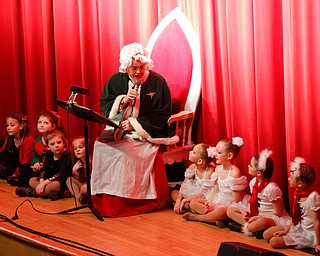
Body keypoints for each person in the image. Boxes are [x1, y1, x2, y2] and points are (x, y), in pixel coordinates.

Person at [91, 42, 178, 217]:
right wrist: (122, 101)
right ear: (125, 66)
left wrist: (135, 123)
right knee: (101, 147)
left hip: (146, 132)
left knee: (124, 153)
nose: (138, 72)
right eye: (133, 68)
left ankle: (128, 202)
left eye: (141, 67)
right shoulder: (115, 80)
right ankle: (104, 198)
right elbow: (105, 106)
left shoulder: (158, 82)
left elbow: (162, 113)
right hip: (120, 130)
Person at [183, 137, 248, 226]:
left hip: (229, 203)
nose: (215, 154)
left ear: (229, 156)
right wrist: (210, 203)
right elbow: (216, 191)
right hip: (218, 199)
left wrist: (217, 205)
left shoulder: (235, 173)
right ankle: (215, 219)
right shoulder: (217, 169)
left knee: (220, 211)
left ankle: (198, 217)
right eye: (216, 151)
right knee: (194, 202)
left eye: (219, 152)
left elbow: (236, 200)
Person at [226, 149, 291, 238]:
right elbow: (255, 203)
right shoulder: (253, 182)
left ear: (259, 173)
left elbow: (278, 212)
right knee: (230, 211)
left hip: (271, 216)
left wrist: (259, 217)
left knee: (259, 223)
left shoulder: (272, 188)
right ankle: (255, 228)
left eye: (251, 165)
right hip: (258, 213)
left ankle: (255, 228)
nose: (248, 166)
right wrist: (249, 213)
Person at [263, 158, 320, 252]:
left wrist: (318, 243)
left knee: (274, 242)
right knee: (266, 235)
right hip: (299, 226)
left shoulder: (313, 197)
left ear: (300, 183)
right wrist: (286, 231)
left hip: (309, 232)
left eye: (291, 177)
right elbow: (295, 217)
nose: (289, 179)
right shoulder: (298, 194)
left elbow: (317, 222)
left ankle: (305, 242)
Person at [8, 111, 61, 187]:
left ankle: (31, 186)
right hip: (41, 169)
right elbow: (35, 157)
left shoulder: (56, 140)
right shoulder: (37, 141)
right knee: (24, 168)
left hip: (53, 169)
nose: (42, 125)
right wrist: (36, 163)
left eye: (45, 123)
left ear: (53, 126)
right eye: (40, 122)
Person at [15, 130, 72, 200]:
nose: (56, 146)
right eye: (52, 144)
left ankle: (32, 192)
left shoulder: (67, 154)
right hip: (48, 180)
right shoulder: (49, 153)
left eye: (59, 142)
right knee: (32, 180)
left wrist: (44, 184)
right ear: (48, 147)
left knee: (55, 185)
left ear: (63, 143)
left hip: (61, 182)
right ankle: (53, 193)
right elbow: (44, 170)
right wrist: (42, 180)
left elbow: (61, 174)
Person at [171, 143, 216, 214]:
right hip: (194, 190)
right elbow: (185, 184)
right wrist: (179, 200)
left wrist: (184, 200)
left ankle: (189, 207)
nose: (190, 152)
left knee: (193, 202)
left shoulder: (209, 170)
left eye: (194, 152)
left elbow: (202, 193)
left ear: (200, 161)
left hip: (204, 195)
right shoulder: (192, 167)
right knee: (174, 193)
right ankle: (186, 206)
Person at [0, 113, 34, 183]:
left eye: (12, 125)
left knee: (24, 169)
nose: (8, 128)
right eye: (7, 125)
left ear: (21, 126)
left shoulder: (28, 141)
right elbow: (2, 152)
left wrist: (14, 174)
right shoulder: (10, 139)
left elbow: (25, 163)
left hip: (21, 170)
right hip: (11, 168)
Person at [66, 136, 89, 205]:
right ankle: (80, 198)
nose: (77, 150)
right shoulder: (79, 162)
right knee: (69, 180)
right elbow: (81, 180)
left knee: (84, 189)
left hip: (90, 185)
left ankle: (77, 193)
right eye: (75, 149)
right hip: (83, 184)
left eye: (81, 147)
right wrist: (75, 171)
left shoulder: (92, 161)